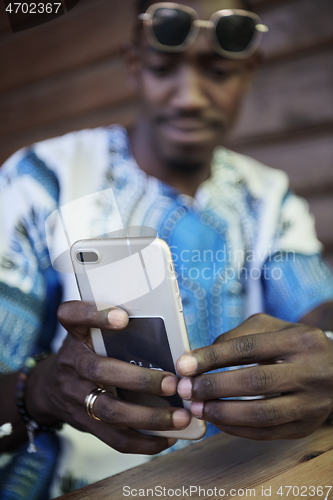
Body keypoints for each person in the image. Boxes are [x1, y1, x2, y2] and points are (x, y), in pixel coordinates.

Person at [1, 0, 333, 497]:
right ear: (133, 64)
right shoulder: (44, 180)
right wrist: (44, 389)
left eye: (219, 71)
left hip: (247, 480)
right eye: (161, 67)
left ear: (251, 71)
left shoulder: (267, 197)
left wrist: (327, 352)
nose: (190, 97)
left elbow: (314, 312)